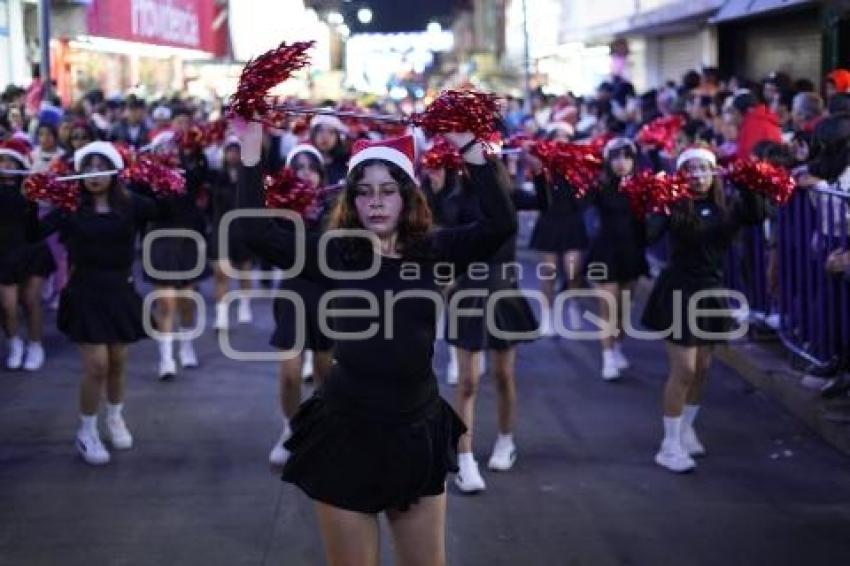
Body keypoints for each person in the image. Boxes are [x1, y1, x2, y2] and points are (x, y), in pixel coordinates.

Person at [236, 119, 516, 566]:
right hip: (346, 433)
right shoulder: (335, 252)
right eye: (364, 192)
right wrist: (251, 149)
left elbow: (500, 224)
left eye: (388, 190)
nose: (376, 202)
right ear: (351, 200)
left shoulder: (434, 250)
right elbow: (251, 232)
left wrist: (471, 150)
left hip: (417, 429)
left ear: (407, 195)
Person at [642, 146, 770, 473]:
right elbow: (650, 234)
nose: (697, 175)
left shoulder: (724, 207)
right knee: (683, 369)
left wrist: (750, 181)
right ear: (681, 173)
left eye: (704, 169)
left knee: (701, 369)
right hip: (679, 291)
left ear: (713, 173)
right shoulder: (674, 205)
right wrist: (656, 202)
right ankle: (668, 445)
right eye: (691, 169)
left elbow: (756, 215)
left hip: (710, 291)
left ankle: (685, 430)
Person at [35, 142, 163, 465]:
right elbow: (32, 232)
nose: (94, 174)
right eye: (87, 167)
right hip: (85, 293)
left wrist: (158, 175)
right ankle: (86, 431)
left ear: (113, 171)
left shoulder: (130, 204)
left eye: (100, 166)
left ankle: (115, 417)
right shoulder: (71, 208)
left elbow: (168, 208)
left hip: (120, 291)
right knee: (97, 366)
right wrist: (31, 198)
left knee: (118, 362)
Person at [268, 143, 335, 466]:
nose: (305, 172)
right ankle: (290, 428)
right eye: (299, 167)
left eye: (311, 167)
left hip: (328, 293)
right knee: (290, 373)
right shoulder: (280, 207)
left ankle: (324, 428)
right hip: (293, 292)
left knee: (326, 371)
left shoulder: (337, 206)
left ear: (321, 174)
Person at [585, 138, 648, 380]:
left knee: (623, 308)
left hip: (631, 252)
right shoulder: (599, 187)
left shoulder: (643, 187)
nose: (622, 163)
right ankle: (607, 356)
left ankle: (618, 347)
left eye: (627, 157)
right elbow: (582, 202)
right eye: (616, 157)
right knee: (607, 307)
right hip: (606, 251)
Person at [0, 139, 55, 370]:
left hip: (30, 250)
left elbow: (34, 228)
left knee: (30, 301)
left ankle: (35, 345)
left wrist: (34, 196)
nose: (4, 165)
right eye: (1, 160)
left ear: (19, 163)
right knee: (7, 305)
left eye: (9, 160)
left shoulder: (29, 188)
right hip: (3, 253)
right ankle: (14, 343)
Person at [527, 152, 587, 335]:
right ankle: (547, 317)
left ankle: (573, 303)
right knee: (548, 273)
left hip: (571, 223)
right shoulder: (543, 172)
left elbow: (584, 201)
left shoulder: (578, 171)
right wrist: (539, 170)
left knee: (573, 271)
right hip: (549, 223)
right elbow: (540, 196)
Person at [209, 137, 254, 331]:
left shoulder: (250, 176)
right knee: (221, 273)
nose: (233, 154)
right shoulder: (216, 176)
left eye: (237, 150)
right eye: (230, 151)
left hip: (243, 227)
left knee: (244, 269)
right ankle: (221, 315)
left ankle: (244, 304)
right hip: (222, 227)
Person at [308, 114, 350, 185]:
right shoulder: (306, 161)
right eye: (320, 131)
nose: (325, 136)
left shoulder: (345, 164)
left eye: (331, 132)